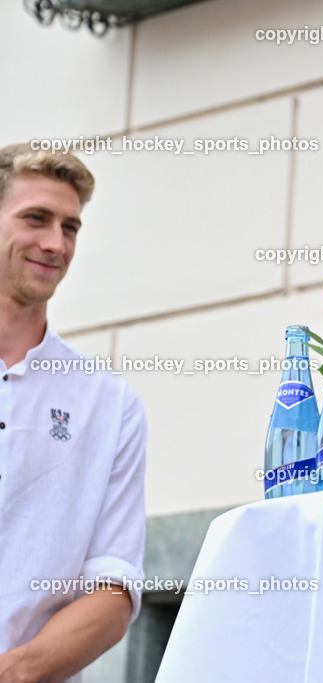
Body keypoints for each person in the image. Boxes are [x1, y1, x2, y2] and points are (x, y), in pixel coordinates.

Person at [0, 143, 146, 683]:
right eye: (35, 219)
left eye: (70, 227)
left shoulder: (108, 402)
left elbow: (114, 585)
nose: (54, 243)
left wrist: (15, 673)